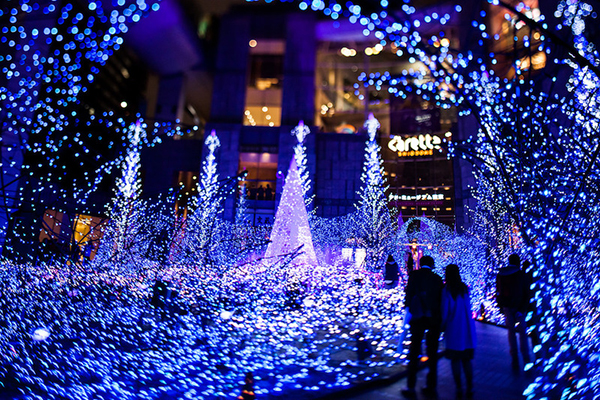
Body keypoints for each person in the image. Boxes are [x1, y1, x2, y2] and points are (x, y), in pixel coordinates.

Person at [402, 255, 444, 399]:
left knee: (414, 352)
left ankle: (411, 386)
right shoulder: (437, 279)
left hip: (417, 318)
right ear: (432, 265)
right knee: (432, 352)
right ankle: (431, 385)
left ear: (420, 264)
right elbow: (440, 300)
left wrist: (408, 309)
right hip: (433, 319)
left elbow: (408, 295)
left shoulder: (414, 276)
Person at [441, 264, 476, 399]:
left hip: (453, 330)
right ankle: (470, 387)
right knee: (466, 361)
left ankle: (459, 387)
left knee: (455, 361)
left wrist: (442, 327)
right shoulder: (464, 289)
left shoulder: (447, 290)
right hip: (466, 330)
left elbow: (445, 312)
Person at [496, 253, 531, 371]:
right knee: (522, 333)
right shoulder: (521, 275)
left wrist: (501, 306)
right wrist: (522, 309)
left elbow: (498, 292)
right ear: (518, 262)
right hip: (519, 307)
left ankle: (514, 358)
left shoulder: (501, 274)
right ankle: (526, 357)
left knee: (511, 333)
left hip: (507, 307)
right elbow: (527, 293)